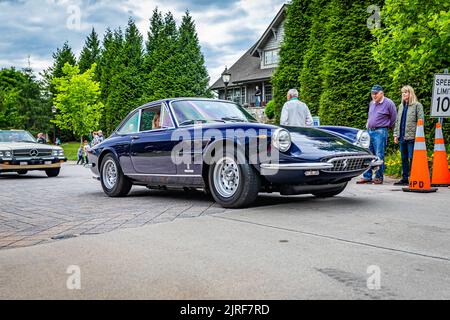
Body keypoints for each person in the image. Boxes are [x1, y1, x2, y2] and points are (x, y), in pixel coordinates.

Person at [357, 85, 397, 185]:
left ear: (381, 93)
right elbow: (370, 117)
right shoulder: (372, 103)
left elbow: (394, 119)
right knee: (368, 153)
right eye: (372, 93)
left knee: (379, 155)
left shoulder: (389, 103)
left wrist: (388, 129)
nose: (374, 95)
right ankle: (367, 176)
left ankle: (379, 177)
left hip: (380, 132)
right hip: (369, 131)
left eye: (376, 93)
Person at [393, 85, 424, 186]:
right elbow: (397, 121)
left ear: (411, 93)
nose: (403, 94)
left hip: (412, 137)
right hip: (402, 136)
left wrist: (418, 137)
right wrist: (395, 135)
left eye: (405, 92)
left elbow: (421, 121)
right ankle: (405, 178)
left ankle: (413, 177)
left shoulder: (417, 105)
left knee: (412, 158)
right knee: (404, 158)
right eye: (402, 92)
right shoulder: (401, 106)